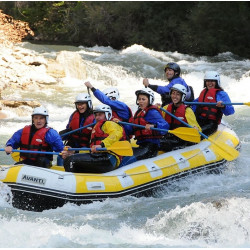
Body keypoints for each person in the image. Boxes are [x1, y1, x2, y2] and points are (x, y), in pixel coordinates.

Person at [62, 104, 127, 173]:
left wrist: (102, 145)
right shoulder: (96, 128)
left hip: (109, 158)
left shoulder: (110, 123)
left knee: (71, 160)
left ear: (108, 115)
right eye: (96, 115)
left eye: (100, 115)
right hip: (98, 156)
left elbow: (116, 134)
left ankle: (69, 181)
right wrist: (74, 152)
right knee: (70, 158)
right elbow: (91, 150)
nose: (97, 117)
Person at [120, 88, 169, 167]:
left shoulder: (152, 112)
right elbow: (132, 128)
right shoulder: (139, 112)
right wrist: (120, 125)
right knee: (122, 154)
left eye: (143, 99)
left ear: (149, 100)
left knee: (128, 159)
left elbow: (165, 126)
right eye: (139, 99)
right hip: (142, 145)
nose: (141, 101)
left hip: (151, 147)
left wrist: (154, 126)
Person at [160, 84, 201, 152]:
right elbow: (159, 121)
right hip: (169, 135)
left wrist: (195, 129)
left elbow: (197, 128)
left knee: (160, 143)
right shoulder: (166, 108)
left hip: (181, 139)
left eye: (178, 94)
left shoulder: (187, 110)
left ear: (183, 96)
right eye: (173, 93)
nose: (174, 96)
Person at [192, 71, 235, 135]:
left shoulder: (221, 94)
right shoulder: (204, 93)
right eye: (208, 81)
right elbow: (194, 104)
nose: (209, 83)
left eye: (212, 81)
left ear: (216, 82)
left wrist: (223, 106)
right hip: (198, 120)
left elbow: (231, 111)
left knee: (195, 133)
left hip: (211, 124)